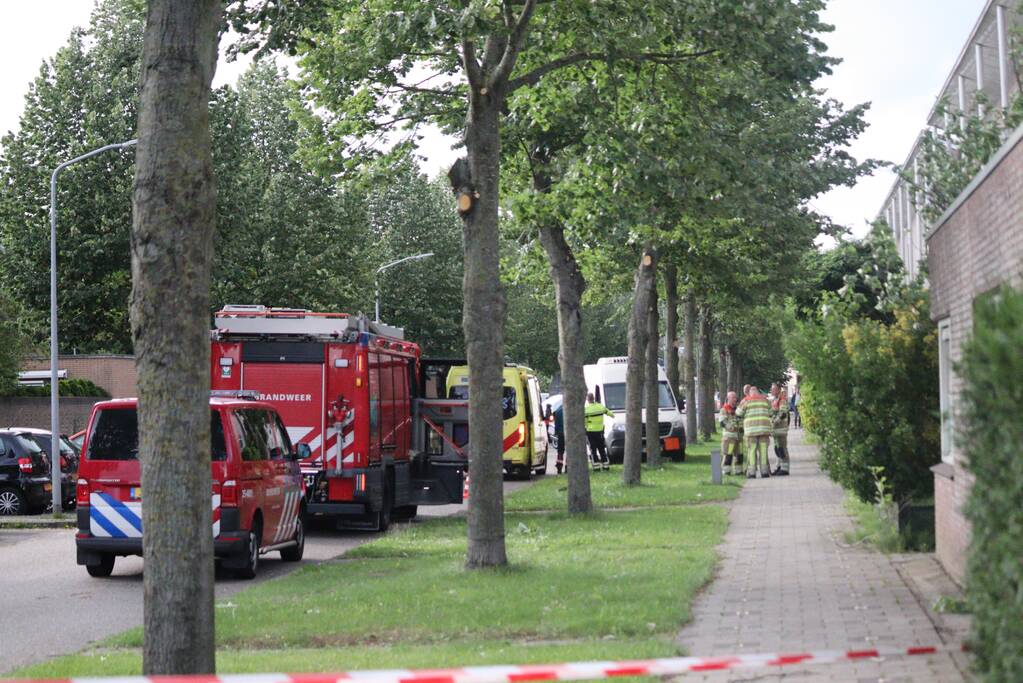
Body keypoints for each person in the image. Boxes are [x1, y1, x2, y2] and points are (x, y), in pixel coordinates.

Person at [736, 385, 772, 479]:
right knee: (763, 450)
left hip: (751, 431)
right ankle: (764, 472)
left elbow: (738, 413)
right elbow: (771, 413)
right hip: (764, 430)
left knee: (752, 451)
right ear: (758, 392)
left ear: (750, 392)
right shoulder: (765, 400)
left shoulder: (746, 400)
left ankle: (752, 472)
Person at [584, 392, 613, 470]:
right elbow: (611, 414)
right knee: (601, 449)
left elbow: (585, 422)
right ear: (593, 398)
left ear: (587, 399)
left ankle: (596, 467)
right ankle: (606, 466)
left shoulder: (586, 410)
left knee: (593, 450)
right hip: (600, 432)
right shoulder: (600, 407)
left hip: (590, 432)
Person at [719, 391, 742, 475]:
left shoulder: (738, 410)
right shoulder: (724, 409)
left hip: (739, 437)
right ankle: (726, 471)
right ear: (728, 398)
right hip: (729, 437)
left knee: (739, 455)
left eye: (735, 397)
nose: (735, 399)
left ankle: (739, 471)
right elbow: (722, 422)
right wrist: (731, 428)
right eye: (733, 397)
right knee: (728, 455)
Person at [771, 384, 791, 476]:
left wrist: (775, 421)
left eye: (773, 389)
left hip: (781, 429)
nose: (771, 391)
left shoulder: (782, 400)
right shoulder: (774, 400)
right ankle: (779, 467)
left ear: (778, 390)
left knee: (782, 449)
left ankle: (785, 469)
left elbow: (783, 414)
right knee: (777, 449)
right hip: (775, 430)